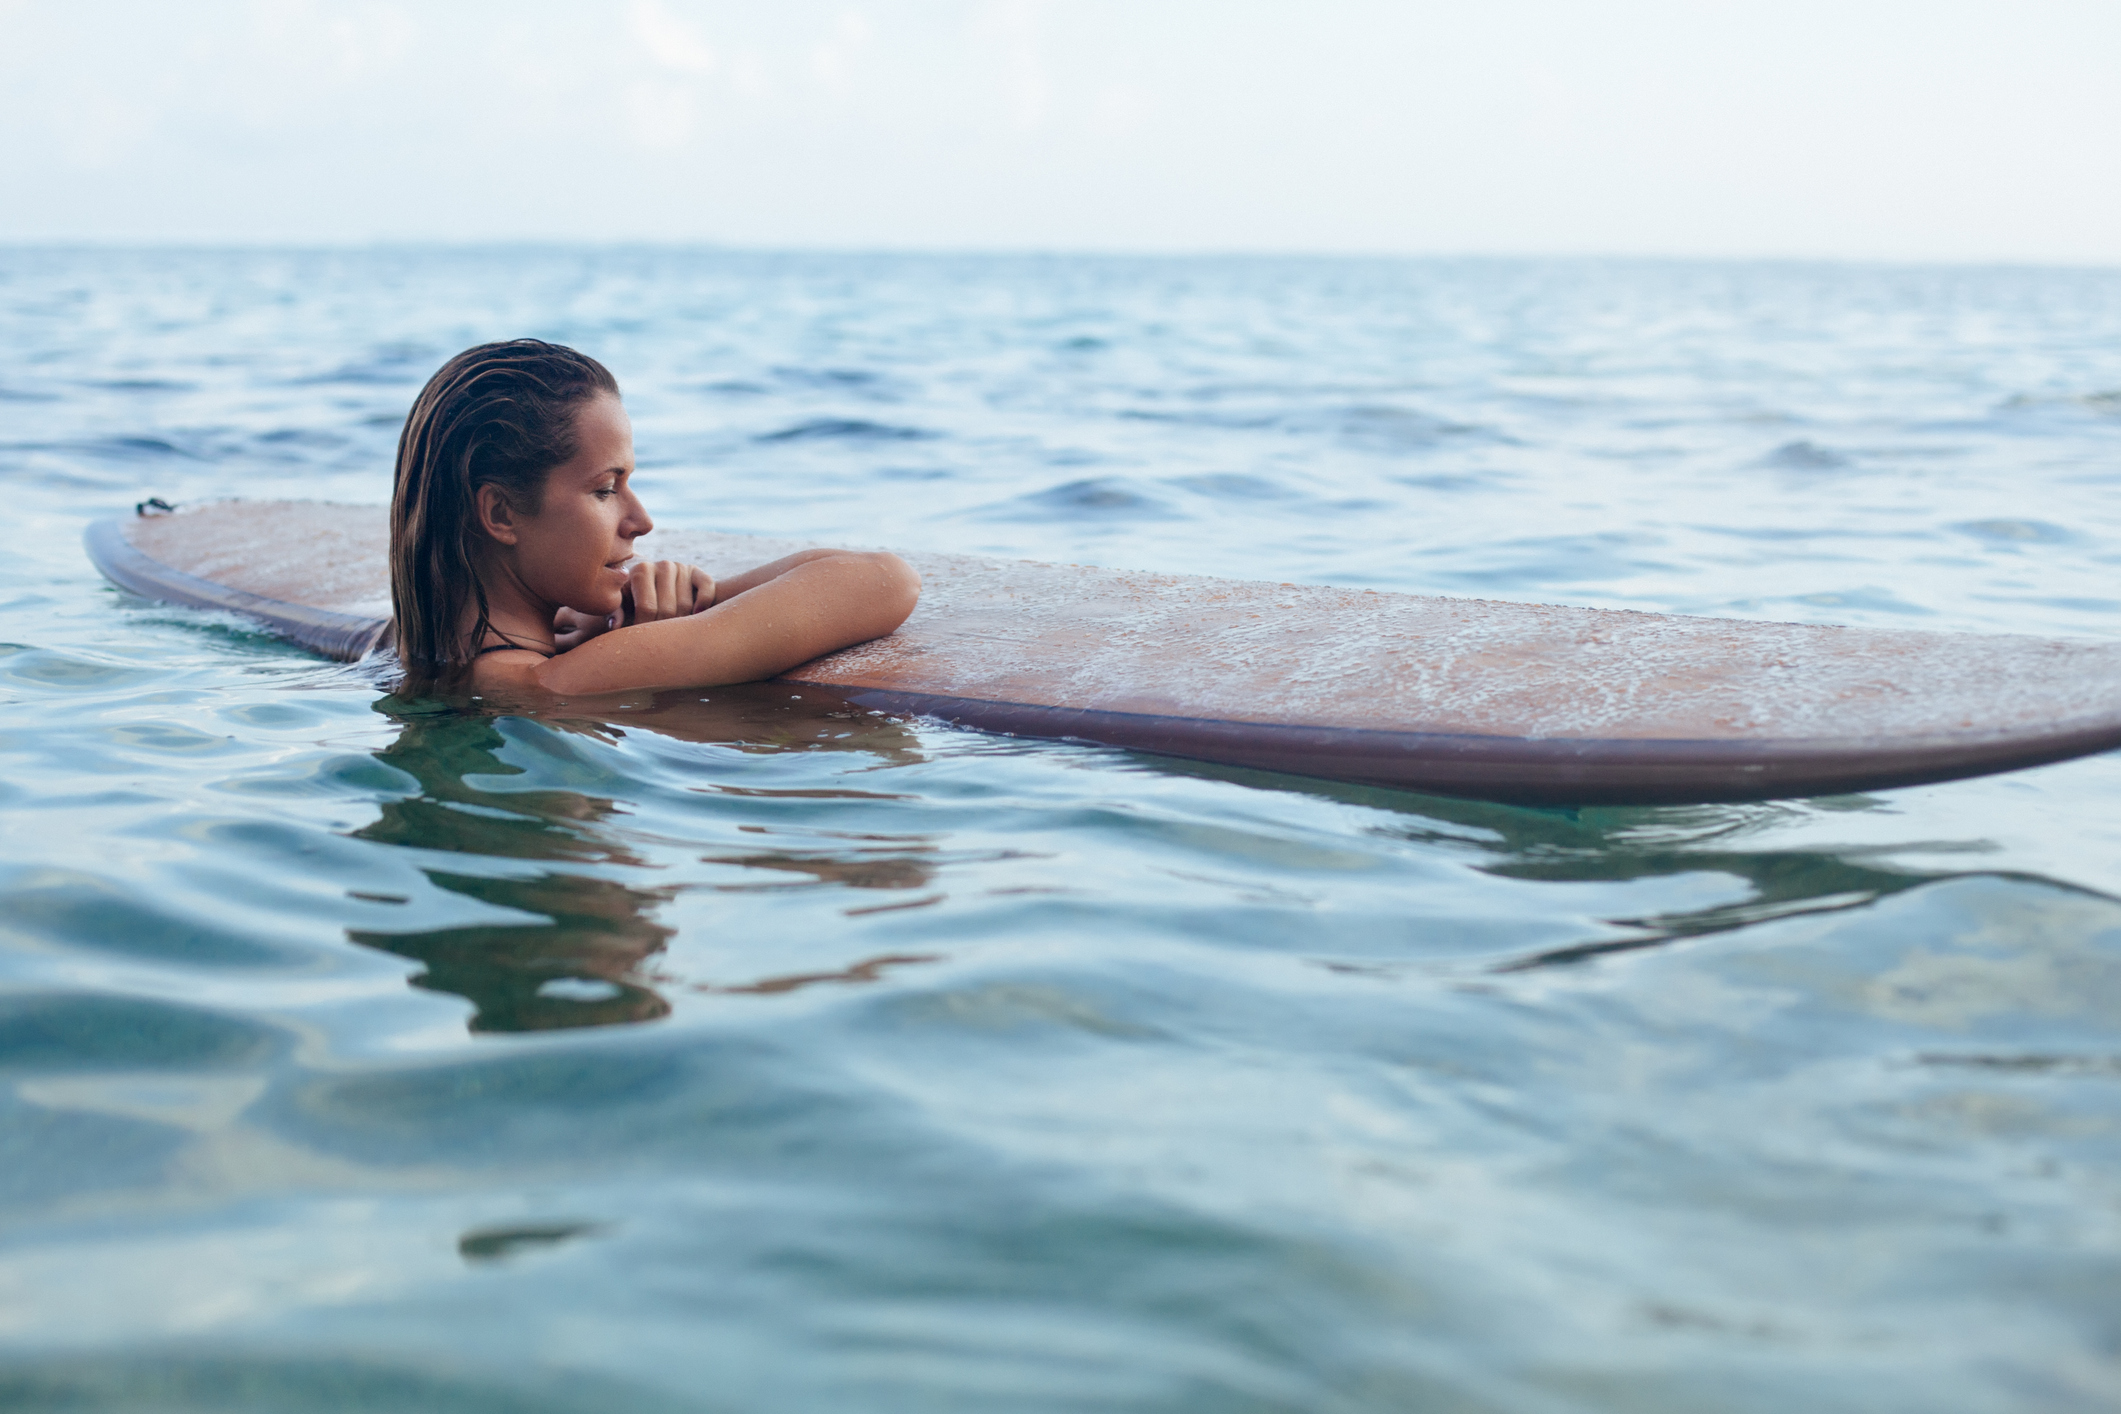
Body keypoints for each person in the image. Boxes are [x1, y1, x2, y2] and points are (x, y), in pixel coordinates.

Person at [388, 339, 919, 695]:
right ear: (501, 513)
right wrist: (660, 620)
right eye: (605, 489)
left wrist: (601, 624)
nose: (640, 520)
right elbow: (886, 581)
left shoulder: (407, 643)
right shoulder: (556, 684)